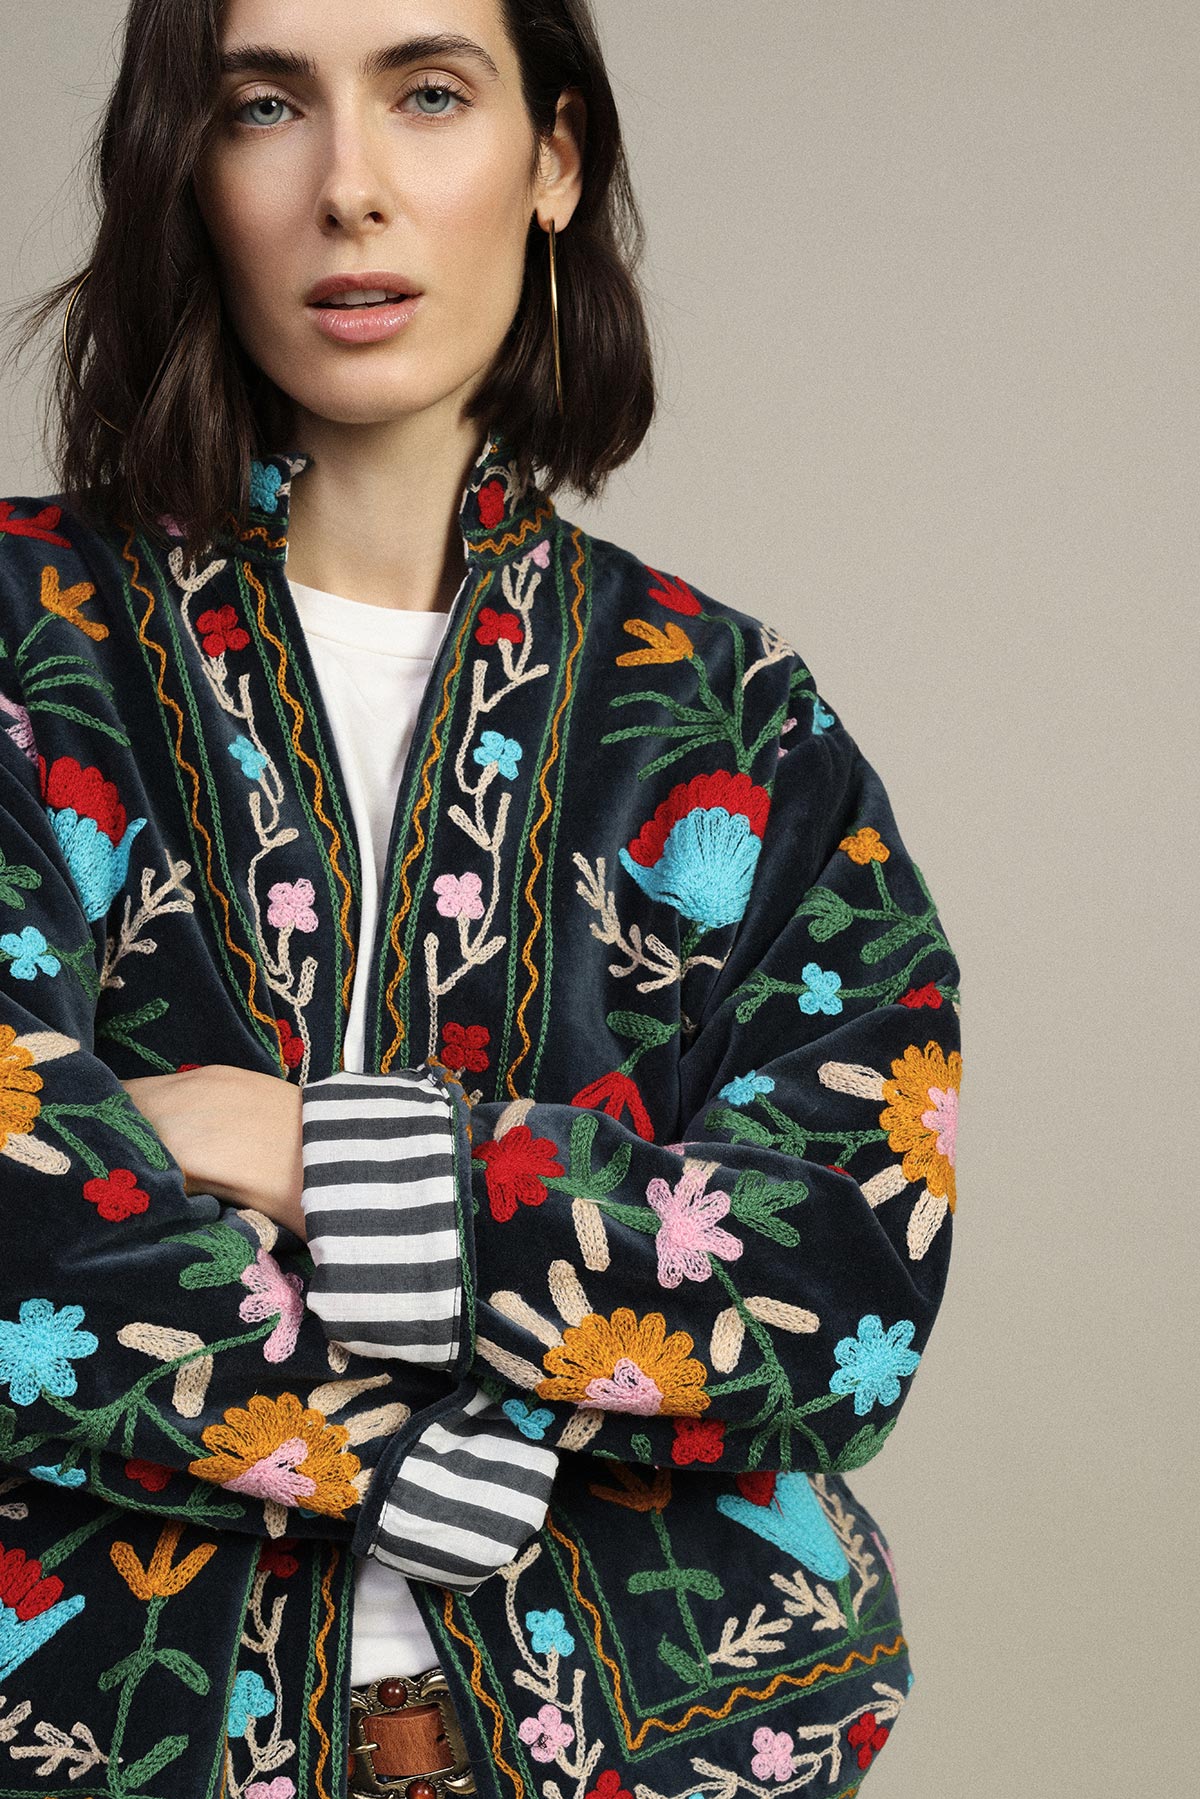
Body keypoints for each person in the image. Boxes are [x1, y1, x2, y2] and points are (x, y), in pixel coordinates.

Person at [0, 2, 964, 1795]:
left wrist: (319, 1152)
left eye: (429, 94)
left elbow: (851, 1283)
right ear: (182, 169)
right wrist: (379, 1443)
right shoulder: (18, 644)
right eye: (264, 105)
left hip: (662, 1743)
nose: (349, 189)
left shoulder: (730, 713)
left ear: (554, 160)